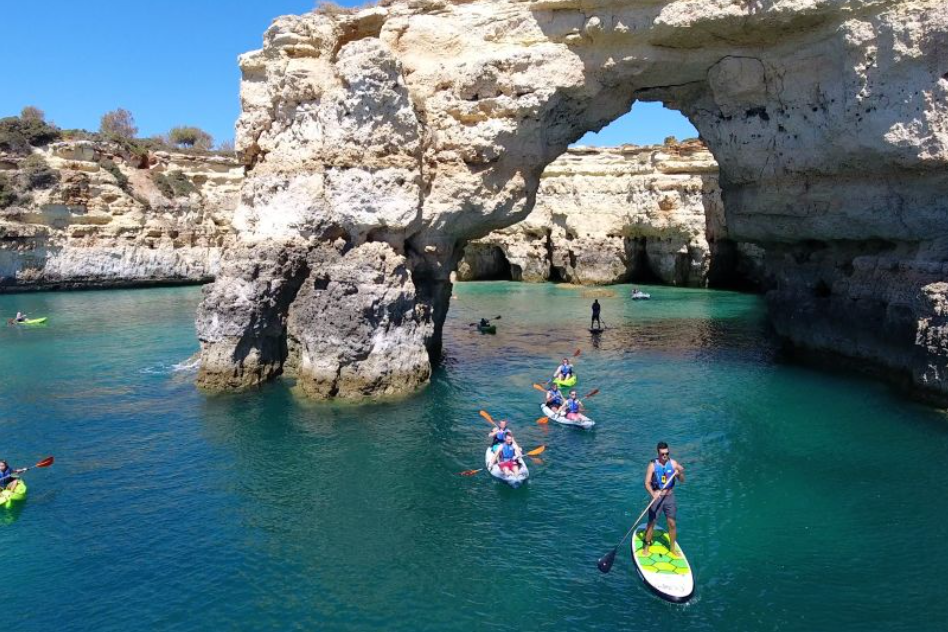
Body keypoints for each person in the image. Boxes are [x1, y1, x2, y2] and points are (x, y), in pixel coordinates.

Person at [641, 442, 685, 557]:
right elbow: (647, 483)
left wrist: (680, 473)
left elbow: (682, 480)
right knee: (652, 523)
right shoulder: (652, 465)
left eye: (667, 453)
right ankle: (646, 547)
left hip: (669, 497)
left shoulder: (673, 463)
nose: (665, 456)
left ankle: (672, 548)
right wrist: (652, 493)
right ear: (658, 453)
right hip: (657, 497)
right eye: (662, 454)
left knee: (672, 523)